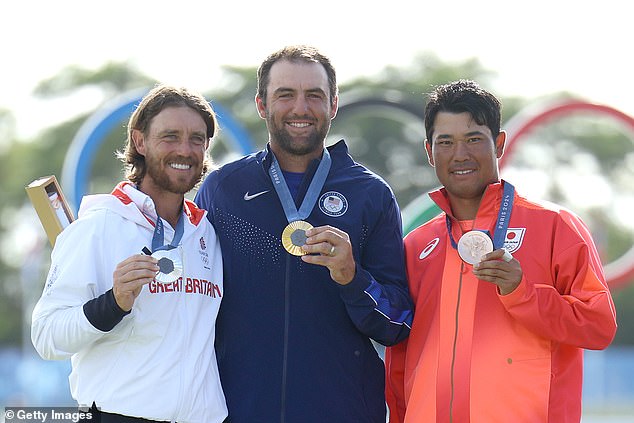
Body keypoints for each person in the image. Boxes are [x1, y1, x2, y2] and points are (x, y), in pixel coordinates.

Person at [194, 45, 413, 422]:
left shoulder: (370, 194)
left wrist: (351, 277)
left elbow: (398, 323)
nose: (300, 108)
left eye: (314, 95)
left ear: (333, 104)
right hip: (238, 411)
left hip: (342, 412)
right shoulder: (222, 189)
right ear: (262, 104)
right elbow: (191, 304)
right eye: (285, 95)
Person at [385, 79, 617, 422]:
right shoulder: (416, 245)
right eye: (445, 142)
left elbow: (598, 326)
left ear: (499, 143)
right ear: (429, 151)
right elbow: (400, 358)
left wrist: (522, 294)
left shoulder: (555, 226)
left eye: (474, 139)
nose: (459, 154)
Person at [31, 85, 227, 422]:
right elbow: (47, 336)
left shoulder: (206, 232)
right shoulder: (98, 226)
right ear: (139, 141)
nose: (185, 149)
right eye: (170, 136)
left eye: (197, 139)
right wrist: (114, 303)